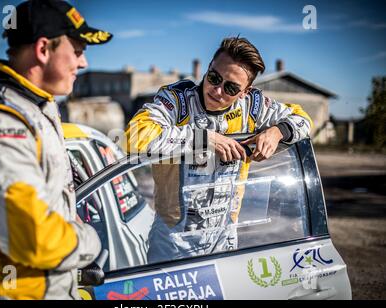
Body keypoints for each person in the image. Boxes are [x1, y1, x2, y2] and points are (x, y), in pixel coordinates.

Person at [0, 0, 112, 299]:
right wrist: (91, 240)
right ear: (44, 50)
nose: (83, 64)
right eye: (78, 51)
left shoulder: (35, 110)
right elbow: (35, 240)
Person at [124, 37, 313, 263]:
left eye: (231, 88)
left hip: (224, 237)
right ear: (208, 68)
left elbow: (303, 120)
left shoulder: (253, 107)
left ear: (245, 91)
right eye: (214, 77)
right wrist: (204, 138)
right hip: (173, 240)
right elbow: (134, 137)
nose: (217, 90)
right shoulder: (177, 101)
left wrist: (277, 131)